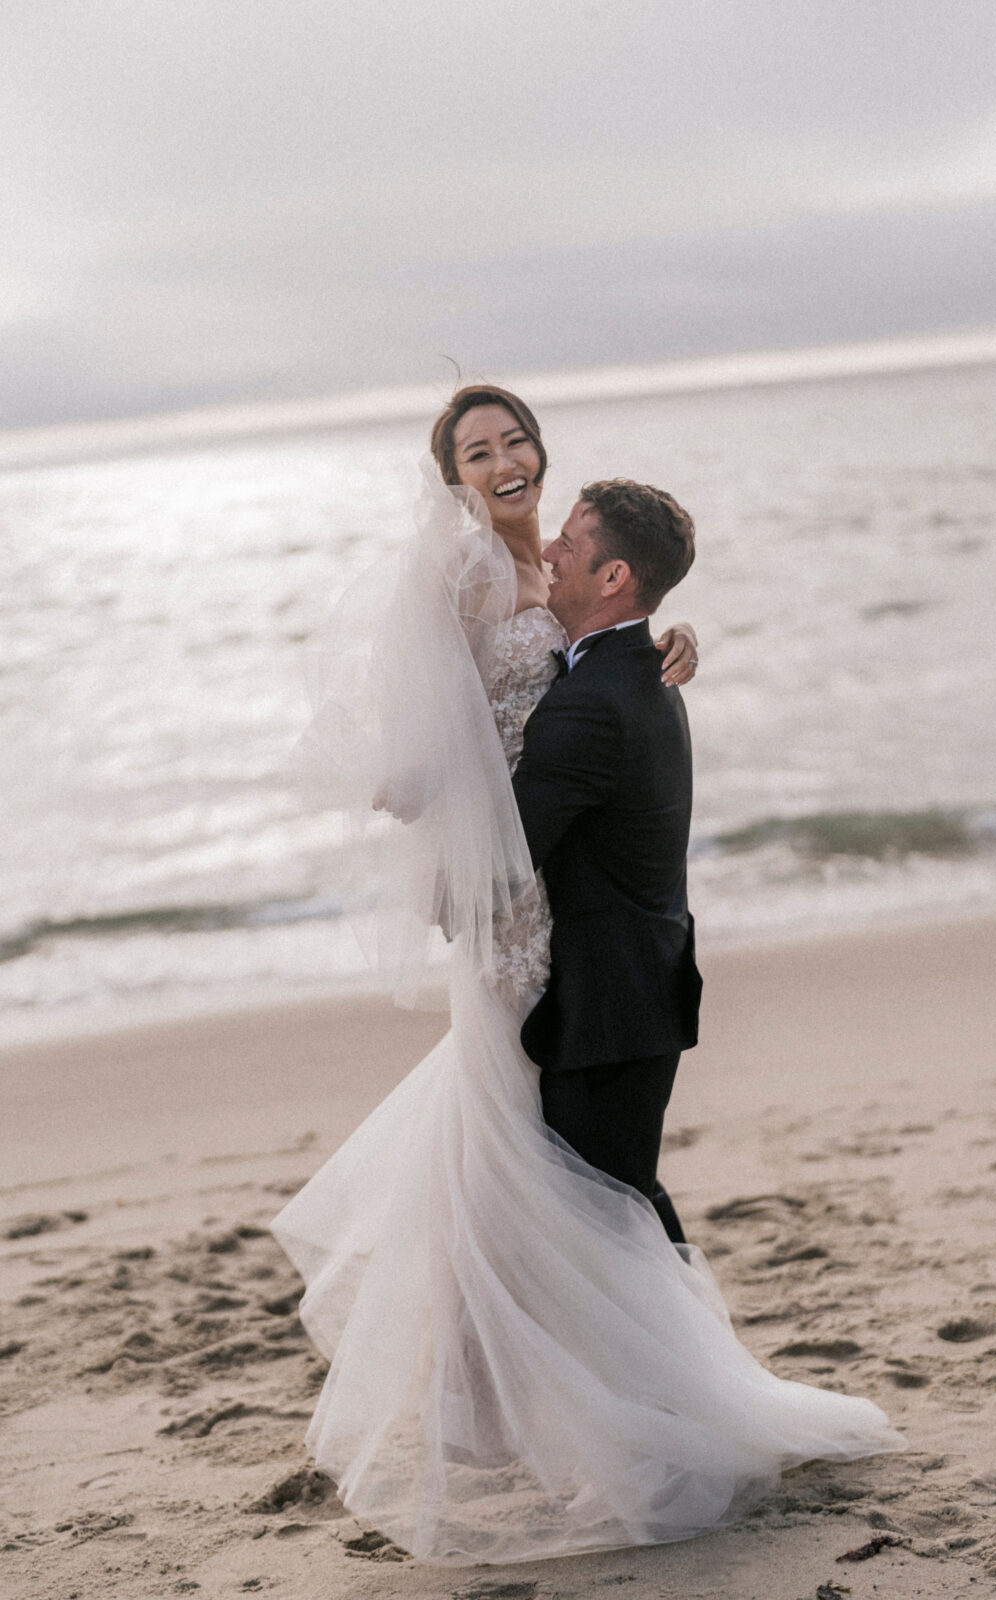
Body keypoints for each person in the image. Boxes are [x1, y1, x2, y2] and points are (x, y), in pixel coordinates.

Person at [270, 385, 903, 1566]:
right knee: (515, 1159)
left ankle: (544, 1403)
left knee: (527, 1169)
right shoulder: (457, 579)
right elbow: (412, 739)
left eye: (516, 440)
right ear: (451, 475)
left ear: (541, 455)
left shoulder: (577, 573)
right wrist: (428, 802)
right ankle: (520, 1401)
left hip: (564, 903)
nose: (507, 463)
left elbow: (598, 662)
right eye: (478, 449)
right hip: (519, 908)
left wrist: (667, 639)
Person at [513, 480, 702, 1246]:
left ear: (614, 577)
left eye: (568, 542)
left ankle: (688, 1362)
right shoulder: (634, 671)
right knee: (624, 1205)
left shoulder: (593, 700)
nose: (549, 553)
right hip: (638, 990)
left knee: (608, 1222)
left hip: (606, 1010)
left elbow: (501, 860)